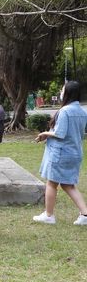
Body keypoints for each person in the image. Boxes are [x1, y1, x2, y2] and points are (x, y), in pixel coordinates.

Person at [33, 80, 87, 226]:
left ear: (67, 92)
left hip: (61, 153)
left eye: (62, 89)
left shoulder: (65, 111)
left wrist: (44, 133)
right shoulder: (82, 112)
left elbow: (60, 133)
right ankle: (85, 214)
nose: (61, 92)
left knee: (51, 183)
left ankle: (49, 215)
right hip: (75, 152)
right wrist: (49, 134)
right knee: (68, 185)